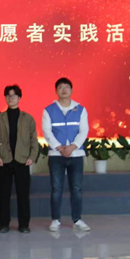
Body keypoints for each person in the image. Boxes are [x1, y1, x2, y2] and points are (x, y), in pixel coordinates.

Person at [42, 78, 91, 232]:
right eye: (60, 87)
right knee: (56, 188)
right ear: (56, 91)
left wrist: (73, 147)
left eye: (66, 87)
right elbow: (47, 132)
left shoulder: (81, 109)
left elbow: (84, 131)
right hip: (56, 155)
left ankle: (77, 219)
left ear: (71, 90)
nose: (63, 90)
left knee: (76, 188)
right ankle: (55, 220)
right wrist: (59, 147)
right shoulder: (48, 110)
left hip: (76, 155)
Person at [0, 85, 38, 233]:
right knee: (3, 195)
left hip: (22, 160)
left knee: (23, 195)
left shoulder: (28, 118)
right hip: (4, 160)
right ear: (5, 98)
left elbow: (33, 140)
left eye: (14, 95)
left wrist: (32, 157)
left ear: (19, 98)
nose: (11, 98)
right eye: (8, 95)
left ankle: (24, 224)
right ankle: (4, 224)